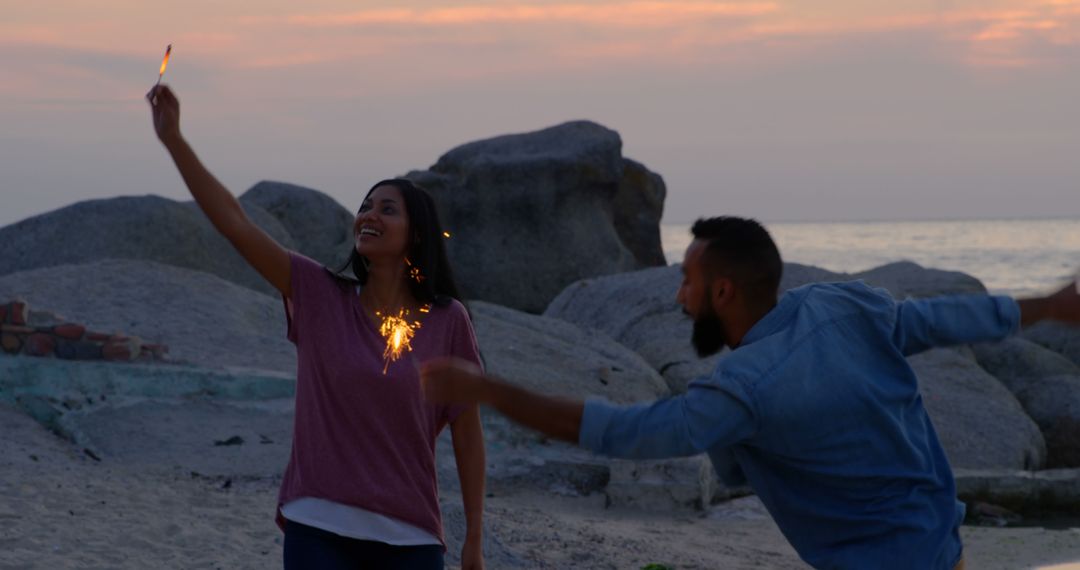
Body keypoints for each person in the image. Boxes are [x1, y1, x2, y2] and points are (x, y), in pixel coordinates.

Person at [421, 216, 1080, 570]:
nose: (678, 297)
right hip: (945, 549)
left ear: (723, 292)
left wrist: (487, 389)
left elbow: (628, 434)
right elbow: (941, 318)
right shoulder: (843, 306)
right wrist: (1047, 304)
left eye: (687, 282)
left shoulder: (743, 388)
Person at [148, 84, 486, 570]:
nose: (369, 215)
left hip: (412, 535)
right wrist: (174, 140)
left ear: (417, 233)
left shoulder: (447, 321)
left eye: (387, 209)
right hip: (319, 526)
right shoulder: (320, 295)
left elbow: (467, 431)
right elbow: (236, 225)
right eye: (366, 206)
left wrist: (474, 535)